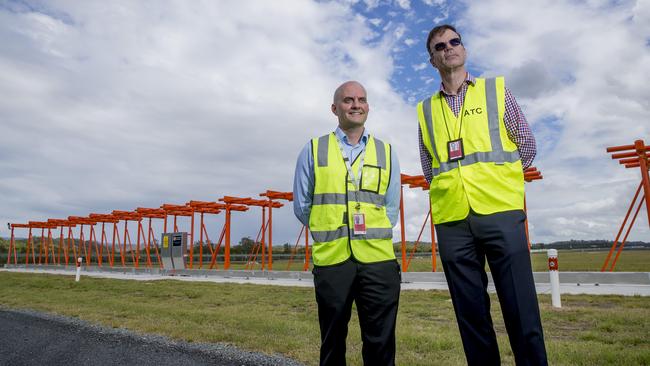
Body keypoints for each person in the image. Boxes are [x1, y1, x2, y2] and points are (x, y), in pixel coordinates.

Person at [417, 25, 548, 365]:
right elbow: (430, 168)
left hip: (501, 213)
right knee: (471, 316)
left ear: (464, 48)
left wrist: (497, 182)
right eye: (440, 46)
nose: (449, 48)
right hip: (453, 222)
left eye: (454, 42)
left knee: (521, 309)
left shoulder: (495, 91)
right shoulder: (426, 111)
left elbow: (527, 146)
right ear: (433, 60)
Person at [293, 81, 401, 366]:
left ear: (368, 106)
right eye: (348, 100)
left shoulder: (386, 152)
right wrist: (327, 228)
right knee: (332, 341)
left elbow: (391, 207)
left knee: (381, 342)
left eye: (361, 99)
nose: (356, 105)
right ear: (334, 108)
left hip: (378, 260)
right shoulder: (313, 150)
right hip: (333, 260)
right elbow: (302, 205)